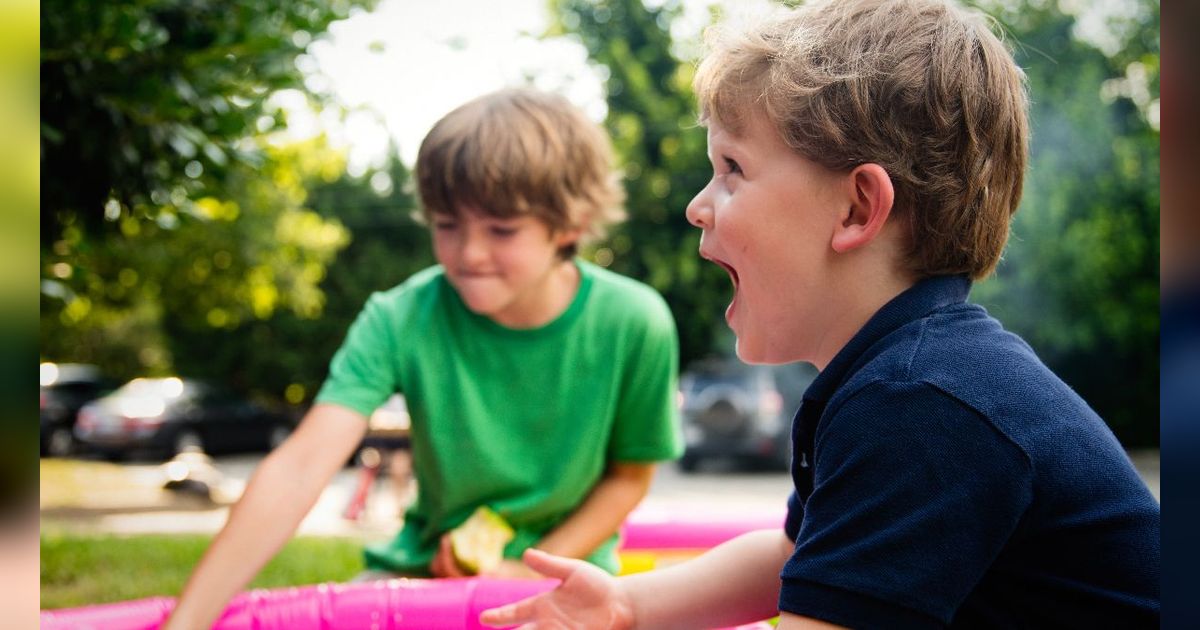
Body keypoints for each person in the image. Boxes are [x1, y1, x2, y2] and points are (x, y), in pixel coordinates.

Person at [480, 0, 1161, 627]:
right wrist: (626, 606)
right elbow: (793, 557)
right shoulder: (901, 375)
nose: (697, 203)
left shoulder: (923, 403)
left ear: (858, 208)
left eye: (732, 168)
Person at [163, 87, 683, 629]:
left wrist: (525, 570)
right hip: (420, 573)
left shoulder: (634, 321)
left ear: (569, 226)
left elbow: (629, 477)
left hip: (569, 580)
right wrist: (188, 623)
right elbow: (301, 467)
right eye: (446, 225)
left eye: (502, 230)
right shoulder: (398, 317)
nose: (469, 253)